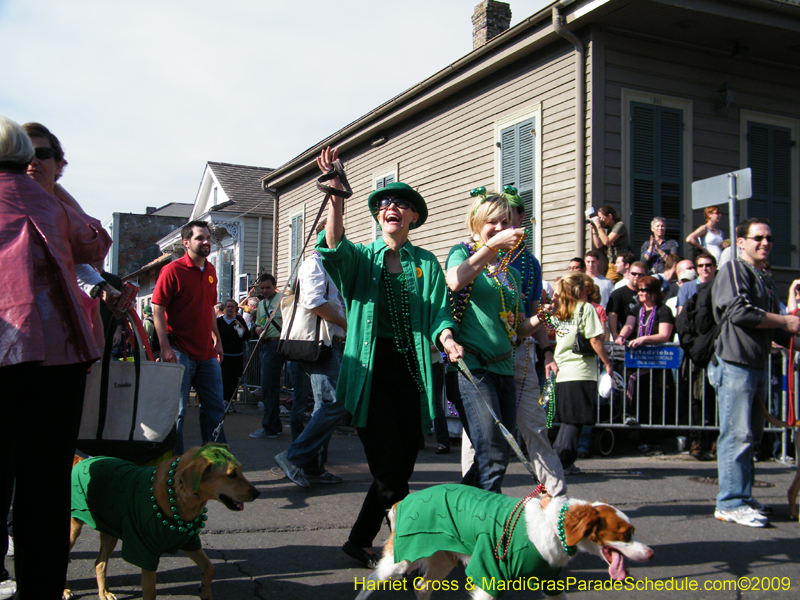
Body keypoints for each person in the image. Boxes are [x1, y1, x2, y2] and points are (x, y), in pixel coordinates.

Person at [314, 147, 462, 569]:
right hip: (370, 373)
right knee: (389, 469)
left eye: (401, 204)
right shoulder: (363, 258)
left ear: (413, 216)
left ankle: (358, 541)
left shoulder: (427, 264)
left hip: (413, 374)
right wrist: (338, 196)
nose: (391, 208)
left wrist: (447, 337)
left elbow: (438, 312)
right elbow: (334, 245)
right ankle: (416, 549)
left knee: (399, 465)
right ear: (378, 217)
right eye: (384, 204)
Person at [0, 116, 112, 599]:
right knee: (44, 492)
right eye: (33, 154)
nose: (36, 164)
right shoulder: (50, 204)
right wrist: (57, 193)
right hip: (58, 361)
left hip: (27, 357)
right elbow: (96, 242)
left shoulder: (47, 201)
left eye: (47, 158)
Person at [445, 191, 552, 493]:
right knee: (491, 455)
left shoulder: (512, 273)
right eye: (492, 221)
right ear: (477, 223)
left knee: (497, 455)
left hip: (505, 369)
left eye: (506, 221)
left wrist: (544, 316)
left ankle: (452, 509)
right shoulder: (462, 252)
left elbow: (518, 329)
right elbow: (454, 280)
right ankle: (486, 532)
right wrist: (491, 247)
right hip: (473, 368)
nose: (501, 226)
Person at [708, 218, 800, 527]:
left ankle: (743, 497)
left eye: (770, 238)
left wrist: (790, 333)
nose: (765, 242)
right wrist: (784, 322)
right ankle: (730, 502)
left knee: (751, 436)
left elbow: (780, 329)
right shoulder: (734, 270)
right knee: (737, 435)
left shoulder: (766, 279)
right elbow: (738, 311)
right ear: (741, 242)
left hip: (756, 365)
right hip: (735, 363)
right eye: (758, 237)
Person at [274, 220, 350, 489]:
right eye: (333, 234)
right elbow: (313, 301)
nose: (339, 238)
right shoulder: (314, 264)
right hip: (319, 345)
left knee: (323, 406)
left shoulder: (331, 266)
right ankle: (293, 457)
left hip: (331, 343)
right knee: (334, 403)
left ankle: (314, 467)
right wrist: (345, 324)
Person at [503, 189, 564, 497]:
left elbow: (536, 313)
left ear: (520, 217)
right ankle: (477, 505)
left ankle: (558, 500)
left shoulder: (530, 263)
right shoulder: (478, 254)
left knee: (537, 428)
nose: (502, 218)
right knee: (482, 437)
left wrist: (547, 351)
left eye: (509, 212)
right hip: (486, 355)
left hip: (524, 353)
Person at [152, 220, 227, 454]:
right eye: (199, 238)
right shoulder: (172, 270)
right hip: (179, 350)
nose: (206, 241)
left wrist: (217, 339)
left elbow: (210, 309)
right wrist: (164, 347)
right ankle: (174, 467)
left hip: (206, 352)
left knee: (215, 408)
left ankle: (217, 461)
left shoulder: (212, 271)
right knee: (178, 411)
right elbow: (157, 308)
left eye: (207, 237)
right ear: (186, 243)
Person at [548, 274, 613, 474]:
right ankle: (563, 461)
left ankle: (559, 460)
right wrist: (607, 362)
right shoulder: (586, 309)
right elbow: (595, 340)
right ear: (580, 289)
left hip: (563, 370)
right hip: (581, 370)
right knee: (575, 421)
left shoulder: (562, 312)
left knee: (568, 420)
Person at [615, 275, 675, 425]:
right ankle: (629, 416)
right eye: (638, 290)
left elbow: (664, 335)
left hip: (656, 359)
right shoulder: (637, 310)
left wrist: (644, 339)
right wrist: (622, 336)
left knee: (631, 376)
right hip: (639, 357)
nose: (639, 293)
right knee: (627, 378)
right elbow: (629, 326)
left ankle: (627, 413)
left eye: (643, 290)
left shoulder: (663, 310)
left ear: (653, 292)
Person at [248, 273, 285, 439]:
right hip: (266, 345)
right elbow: (260, 322)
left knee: (270, 386)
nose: (264, 290)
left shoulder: (284, 300)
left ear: (274, 286)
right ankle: (273, 426)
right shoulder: (261, 304)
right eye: (262, 288)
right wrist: (257, 328)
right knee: (268, 387)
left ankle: (270, 427)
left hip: (280, 344)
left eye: (267, 287)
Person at [217, 299, 251, 410]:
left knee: (234, 380)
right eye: (228, 306)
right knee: (224, 378)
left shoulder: (239, 319)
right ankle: (224, 401)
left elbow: (247, 336)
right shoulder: (219, 321)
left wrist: (241, 327)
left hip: (236, 355)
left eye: (232, 307)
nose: (230, 309)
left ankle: (231, 401)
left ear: (236, 309)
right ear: (225, 308)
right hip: (223, 355)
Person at [589, 205, 631, 282]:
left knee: (625, 283)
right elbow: (599, 245)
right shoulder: (605, 229)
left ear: (610, 216)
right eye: (599, 218)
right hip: (612, 264)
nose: (601, 220)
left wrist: (598, 226)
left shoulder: (620, 225)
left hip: (623, 263)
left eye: (602, 218)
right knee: (609, 284)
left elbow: (607, 241)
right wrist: (594, 229)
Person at [607, 261, 646, 337]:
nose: (637, 276)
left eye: (640, 274)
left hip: (645, 338)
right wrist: (615, 335)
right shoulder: (618, 294)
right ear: (628, 274)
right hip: (624, 338)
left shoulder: (648, 294)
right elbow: (612, 315)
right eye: (633, 273)